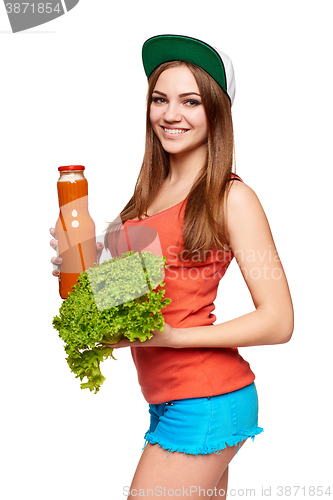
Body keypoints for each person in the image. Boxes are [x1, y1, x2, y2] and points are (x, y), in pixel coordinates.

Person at [50, 35, 294, 499]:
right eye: (160, 99)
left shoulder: (230, 197)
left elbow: (279, 321)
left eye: (190, 101)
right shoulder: (147, 198)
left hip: (206, 398)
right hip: (168, 399)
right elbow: (146, 296)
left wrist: (174, 337)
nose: (170, 114)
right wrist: (78, 266)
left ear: (216, 111)